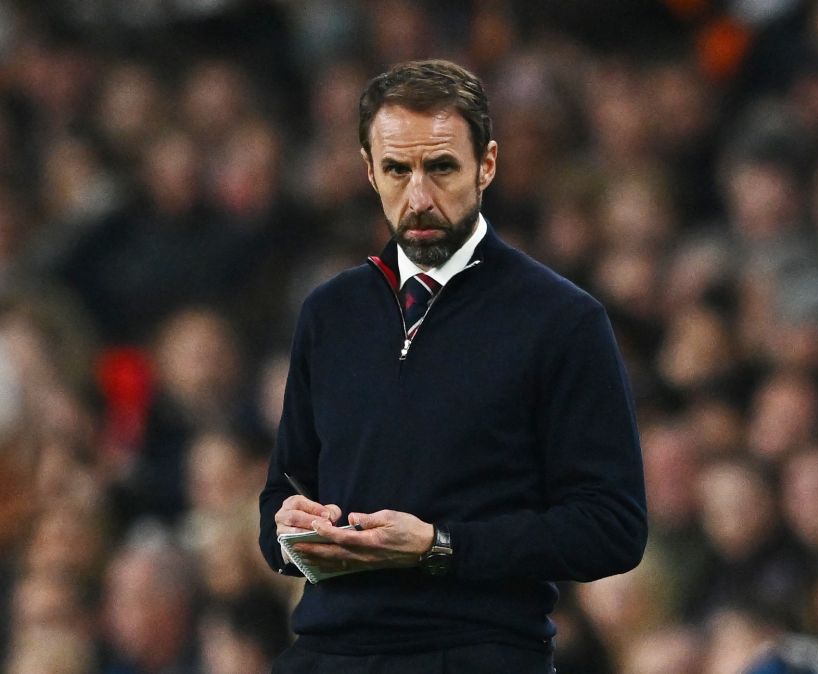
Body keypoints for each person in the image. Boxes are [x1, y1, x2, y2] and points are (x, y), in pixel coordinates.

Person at [258, 59, 647, 673]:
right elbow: (285, 487)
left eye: (440, 167)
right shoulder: (329, 313)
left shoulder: (562, 320)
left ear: (486, 164)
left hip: (476, 653)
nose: (418, 197)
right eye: (396, 169)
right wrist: (289, 528)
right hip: (326, 653)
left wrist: (441, 546)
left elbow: (612, 526)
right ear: (368, 169)